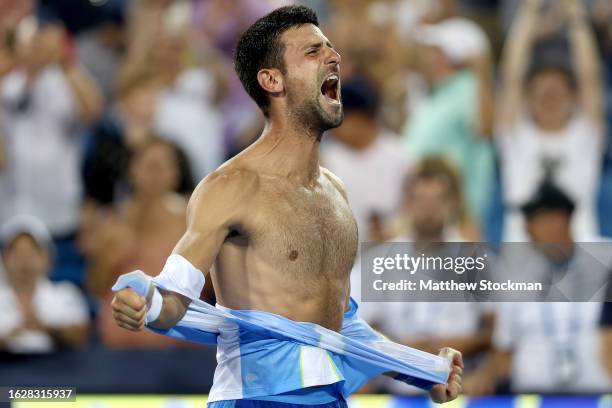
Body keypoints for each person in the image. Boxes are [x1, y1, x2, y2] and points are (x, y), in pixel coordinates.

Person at [111, 6, 462, 407]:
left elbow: (340, 325)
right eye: (313, 52)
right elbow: (175, 299)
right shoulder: (230, 187)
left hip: (331, 398)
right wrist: (144, 304)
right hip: (256, 399)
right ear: (272, 79)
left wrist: (423, 371)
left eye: (330, 48)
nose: (334, 57)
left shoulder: (335, 193)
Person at [463, 179, 612, 394]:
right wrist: (483, 378)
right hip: (531, 396)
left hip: (597, 395)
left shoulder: (604, 259)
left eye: (533, 219)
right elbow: (504, 347)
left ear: (560, 219)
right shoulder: (515, 272)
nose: (527, 229)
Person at [496, 0, 604, 241]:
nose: (549, 99)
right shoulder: (516, 135)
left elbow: (590, 78)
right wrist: (528, 11)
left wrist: (576, 16)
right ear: (529, 99)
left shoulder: (584, 134)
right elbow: (511, 77)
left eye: (556, 93)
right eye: (542, 94)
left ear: (572, 98)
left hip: (579, 242)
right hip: (522, 244)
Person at [322, 76, 409, 243]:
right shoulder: (327, 160)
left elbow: (412, 215)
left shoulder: (401, 157)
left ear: (357, 119)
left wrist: (394, 230)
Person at [0, 215, 89, 353]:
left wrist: (43, 328)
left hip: (55, 370)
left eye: (31, 253)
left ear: (46, 258)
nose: (24, 262)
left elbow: (80, 335)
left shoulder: (66, 294)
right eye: (17, 253)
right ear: (5, 259)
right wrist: (8, 338)